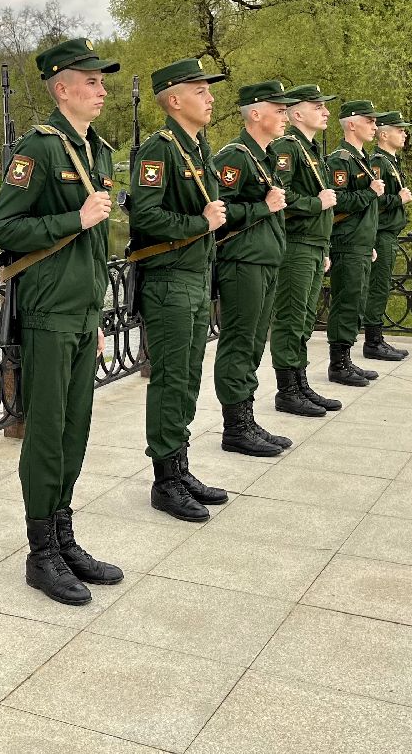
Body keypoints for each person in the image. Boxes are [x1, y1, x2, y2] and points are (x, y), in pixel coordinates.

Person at [0, 38, 122, 606]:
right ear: (61, 86)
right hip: (46, 314)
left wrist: (97, 313)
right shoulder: (38, 150)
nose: (102, 89)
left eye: (102, 80)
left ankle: (65, 538)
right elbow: (2, 228)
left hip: (82, 311)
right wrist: (75, 217)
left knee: (75, 431)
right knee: (45, 433)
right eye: (91, 80)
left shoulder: (101, 151)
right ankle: (40, 552)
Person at [126, 59, 230, 522]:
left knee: (188, 378)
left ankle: (180, 466)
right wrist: (198, 224)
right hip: (168, 281)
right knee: (169, 381)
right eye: (201, 91)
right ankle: (164, 481)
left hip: (193, 276)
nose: (210, 98)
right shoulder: (160, 149)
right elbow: (144, 216)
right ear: (174, 100)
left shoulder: (199, 148)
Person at [212, 81, 299, 457]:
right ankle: (234, 427)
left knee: (253, 342)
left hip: (264, 260)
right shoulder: (234, 156)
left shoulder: (264, 156)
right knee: (239, 342)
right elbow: (218, 212)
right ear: (256, 113)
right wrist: (264, 207)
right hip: (241, 262)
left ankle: (245, 417)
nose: (286, 117)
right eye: (279, 111)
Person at [268, 84, 343, 415]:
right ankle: (287, 390)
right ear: (297, 113)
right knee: (290, 317)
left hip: (313, 245)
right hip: (295, 245)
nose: (326, 112)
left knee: (305, 318)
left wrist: (325, 246)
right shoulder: (287, 147)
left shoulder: (311, 150)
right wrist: (316, 202)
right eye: (318, 107)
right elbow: (279, 196)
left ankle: (300, 383)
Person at [326, 100, 386, 386]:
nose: (375, 126)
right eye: (369, 120)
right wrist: (370, 193)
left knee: (357, 301)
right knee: (346, 302)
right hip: (346, 242)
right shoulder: (341, 159)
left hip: (360, 242)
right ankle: (338, 364)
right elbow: (337, 201)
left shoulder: (360, 159)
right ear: (352, 123)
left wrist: (369, 240)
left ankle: (346, 358)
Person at [364, 110, 412, 360]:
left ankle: (377, 338)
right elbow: (373, 200)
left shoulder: (392, 161)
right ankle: (373, 342)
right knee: (378, 287)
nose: (404, 134)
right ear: (384, 134)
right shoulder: (378, 162)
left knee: (382, 286)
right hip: (381, 234)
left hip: (390, 233)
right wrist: (399, 199)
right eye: (399, 129)